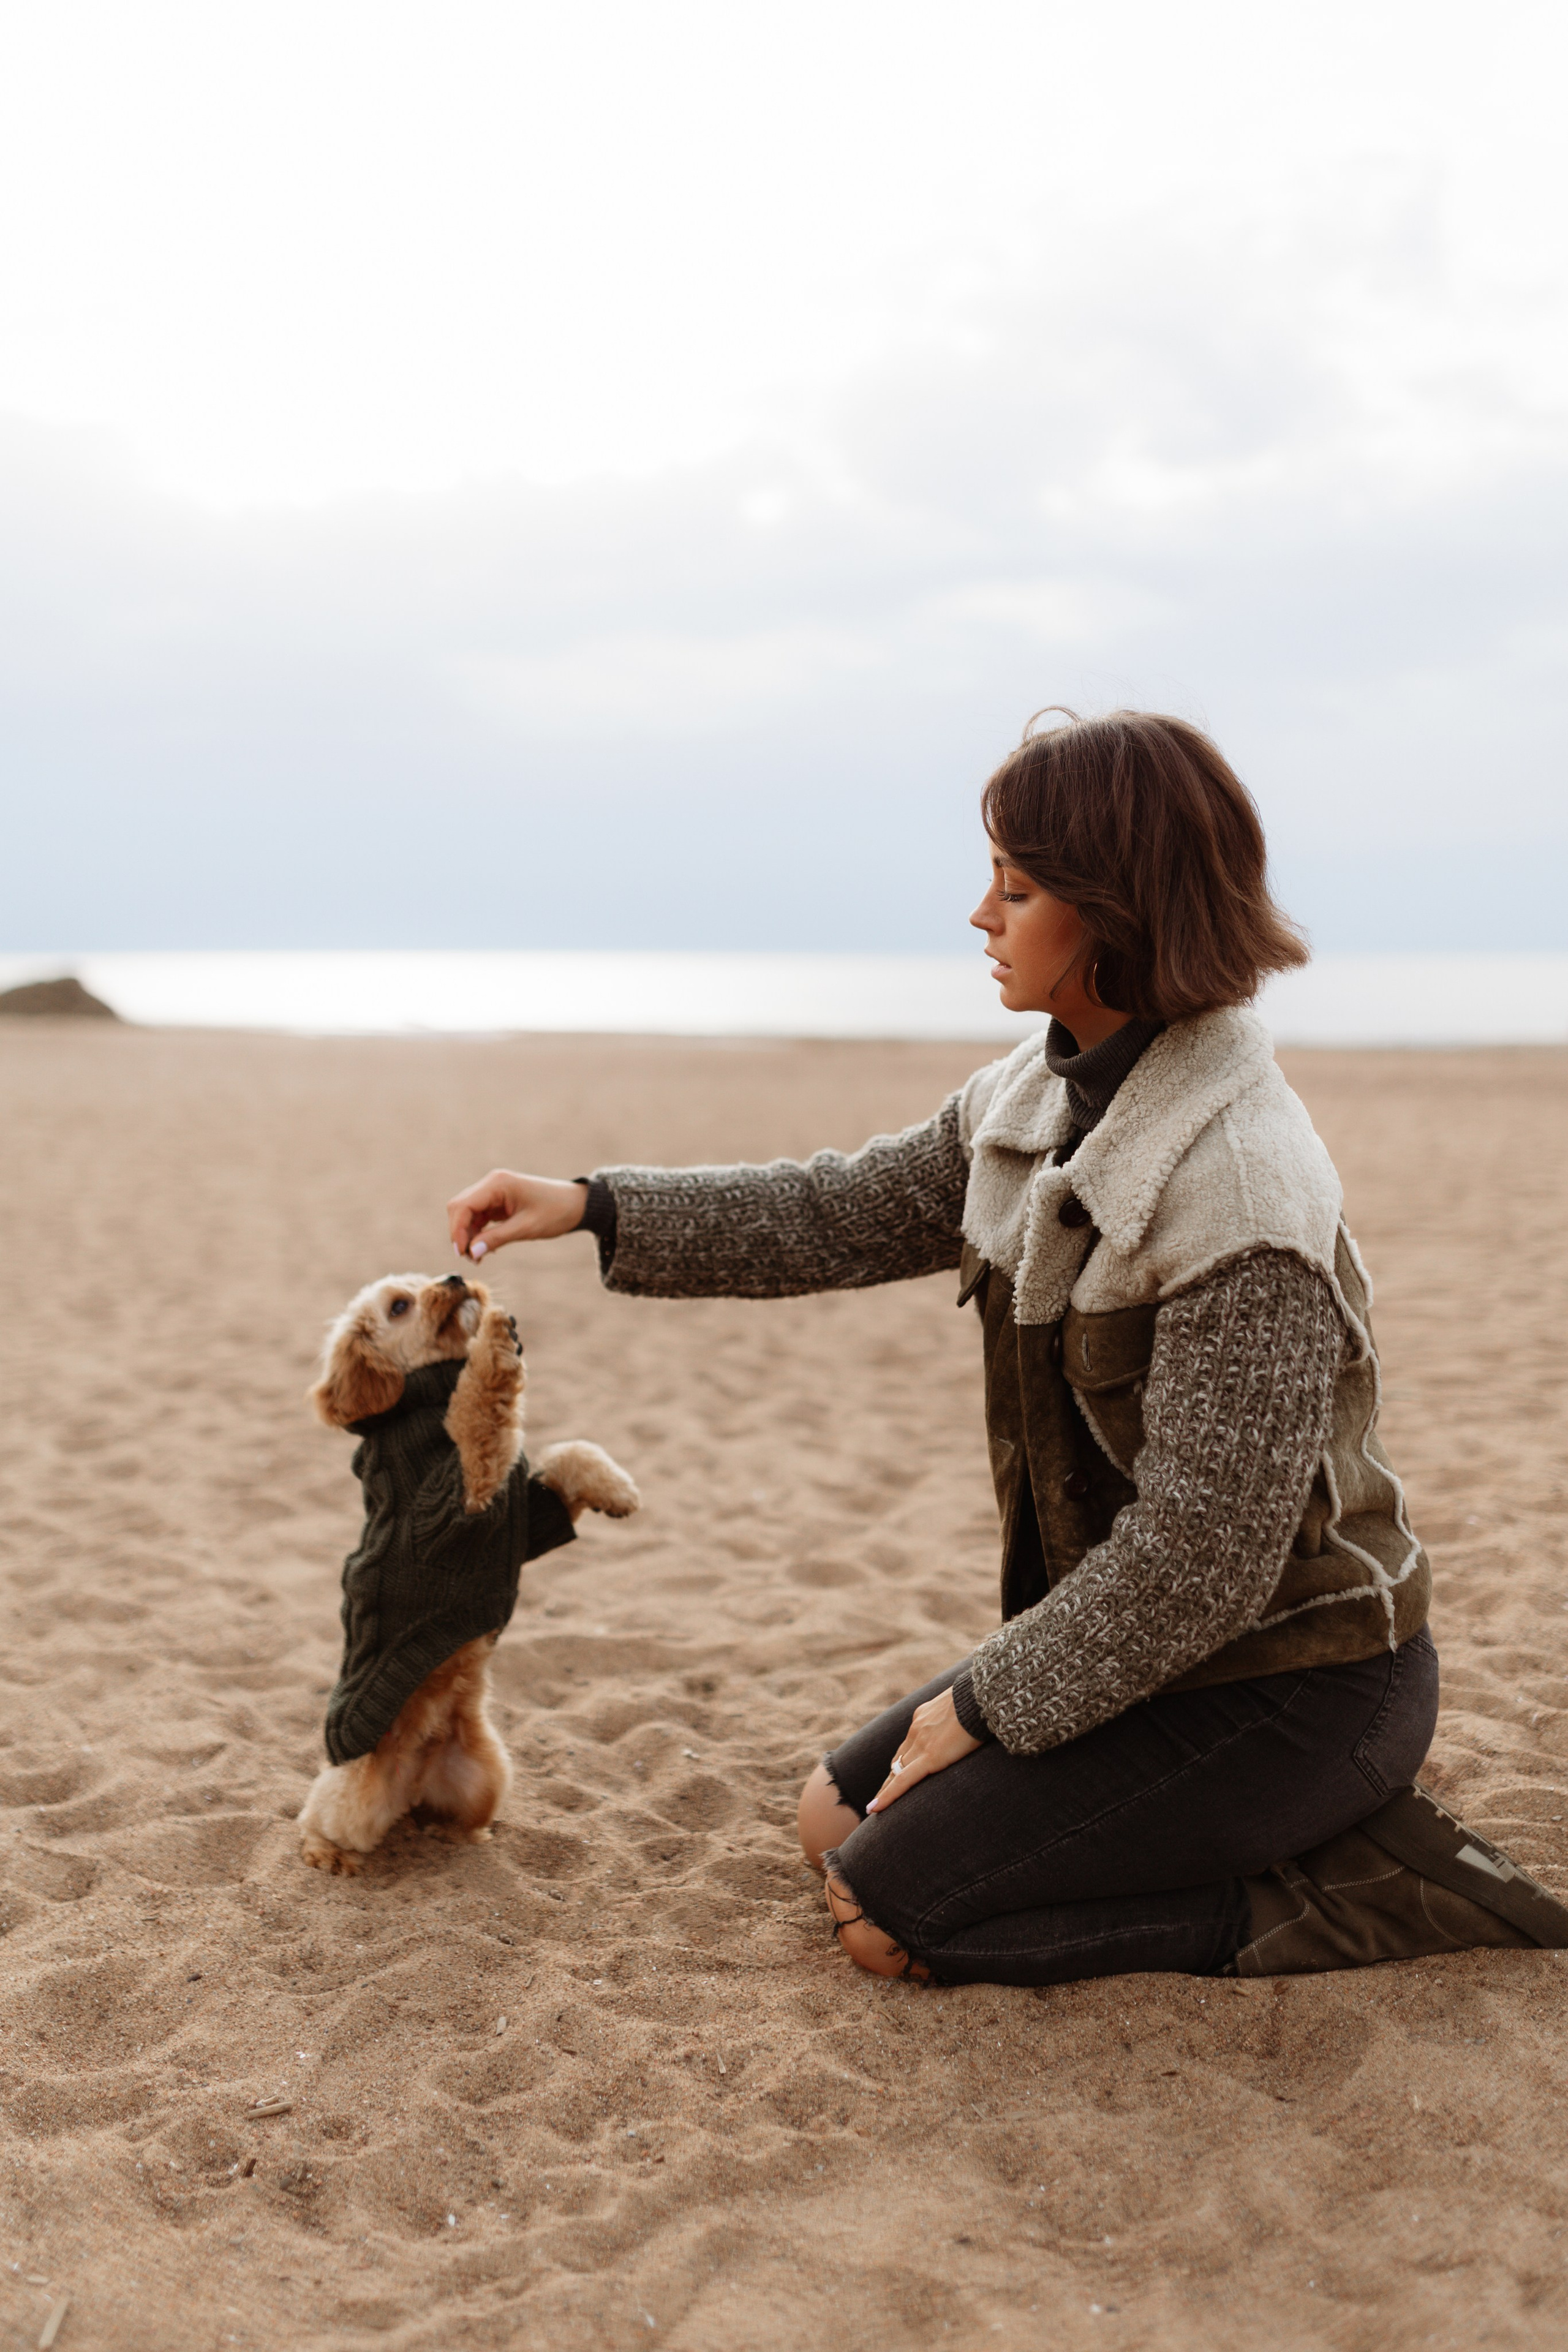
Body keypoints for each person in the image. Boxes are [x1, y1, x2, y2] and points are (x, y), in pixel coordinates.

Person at [447, 709, 1568, 1986]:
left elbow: (1204, 1561)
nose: (980, 915)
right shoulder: (1028, 1096)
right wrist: (591, 1204)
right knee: (832, 1821)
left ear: (1113, 914)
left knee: (888, 1920)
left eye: (1016, 887)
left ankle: (1358, 1885)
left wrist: (980, 1706)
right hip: (1139, 1648)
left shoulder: (1242, 1194)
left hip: (1296, 1684)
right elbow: (832, 1213)